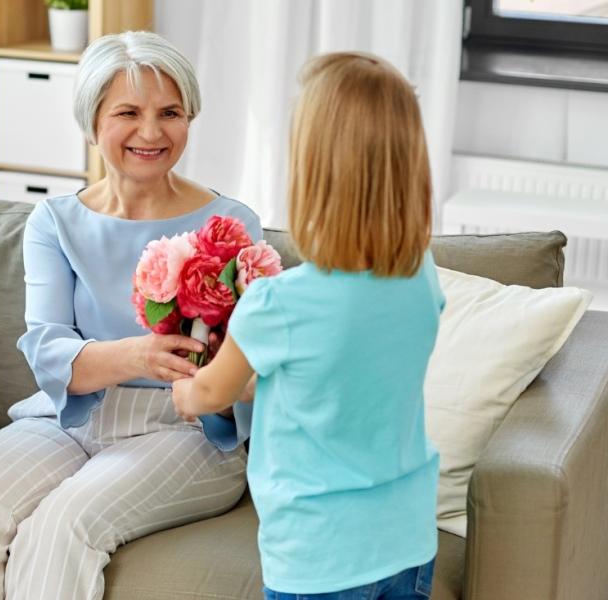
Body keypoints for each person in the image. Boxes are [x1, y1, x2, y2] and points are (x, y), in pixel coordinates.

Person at [0, 31, 260, 600]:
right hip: (68, 418)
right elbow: (48, 351)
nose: (151, 132)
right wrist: (139, 354)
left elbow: (245, 367)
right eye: (128, 112)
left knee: (60, 527)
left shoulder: (229, 224)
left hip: (184, 430)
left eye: (170, 113)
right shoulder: (55, 221)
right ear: (91, 121)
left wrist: (213, 383)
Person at [172, 51, 443, 600]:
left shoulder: (279, 304)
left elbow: (208, 393)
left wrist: (183, 388)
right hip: (408, 542)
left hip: (320, 560)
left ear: (313, 172)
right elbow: (349, 367)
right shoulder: (423, 275)